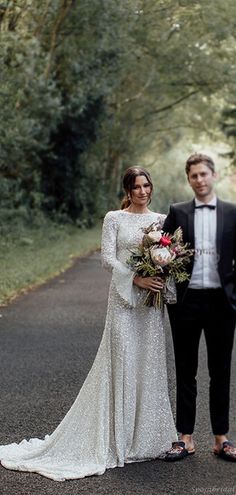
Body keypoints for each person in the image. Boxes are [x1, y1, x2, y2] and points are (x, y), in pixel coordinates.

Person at [0, 167, 176, 481]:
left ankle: (146, 439)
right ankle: (118, 438)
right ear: (127, 190)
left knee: (148, 363)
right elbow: (108, 258)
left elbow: (170, 256)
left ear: (152, 187)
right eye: (135, 186)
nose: (142, 191)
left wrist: (159, 276)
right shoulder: (114, 219)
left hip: (150, 306)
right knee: (121, 360)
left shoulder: (162, 220)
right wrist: (136, 278)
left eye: (146, 185)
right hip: (124, 299)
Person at [163, 153, 236, 462]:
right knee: (186, 370)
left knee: (221, 371)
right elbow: (160, 250)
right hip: (187, 302)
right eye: (194, 176)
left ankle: (221, 439)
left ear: (213, 175)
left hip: (222, 301)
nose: (200, 180)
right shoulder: (177, 212)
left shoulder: (233, 212)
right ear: (189, 179)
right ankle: (185, 438)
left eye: (204, 174)